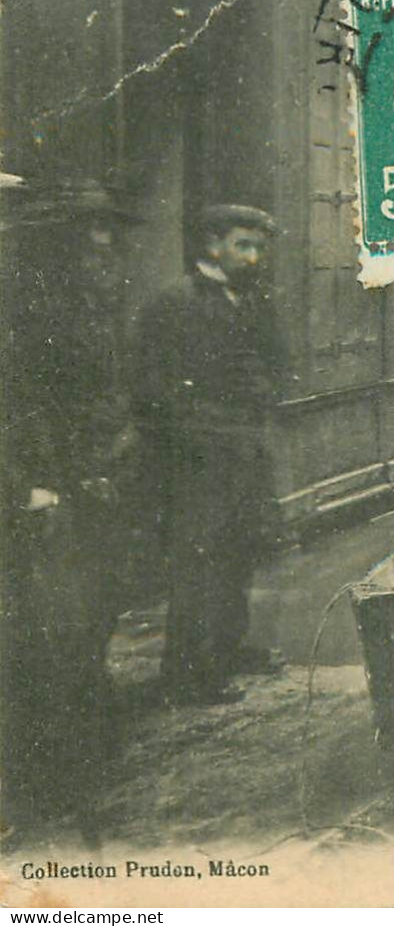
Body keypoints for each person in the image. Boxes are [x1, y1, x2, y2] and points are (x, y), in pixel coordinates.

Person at [2, 179, 146, 839]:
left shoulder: (81, 301)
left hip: (80, 479)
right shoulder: (28, 303)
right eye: (91, 233)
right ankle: (45, 774)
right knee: (38, 630)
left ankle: (70, 759)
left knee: (81, 618)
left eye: (109, 234)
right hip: (35, 486)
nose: (104, 246)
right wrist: (28, 481)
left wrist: (105, 457)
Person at [133, 204, 287, 707]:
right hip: (197, 459)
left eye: (260, 247)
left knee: (237, 554)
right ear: (212, 245)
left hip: (241, 449)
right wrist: (199, 436)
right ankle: (188, 673)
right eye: (244, 245)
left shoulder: (248, 299)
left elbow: (269, 364)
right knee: (199, 562)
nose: (254, 255)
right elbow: (154, 388)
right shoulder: (177, 302)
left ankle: (225, 649)